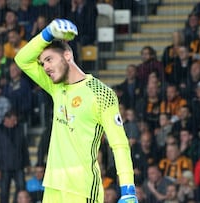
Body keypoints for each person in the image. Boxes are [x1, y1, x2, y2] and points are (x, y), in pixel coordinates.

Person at [14, 19, 137, 202]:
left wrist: (128, 189)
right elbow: (22, 59)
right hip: (53, 186)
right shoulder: (56, 87)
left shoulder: (102, 93)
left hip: (83, 188)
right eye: (42, 64)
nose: (45, 67)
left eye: (49, 59)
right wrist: (47, 33)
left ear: (68, 56)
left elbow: (119, 144)